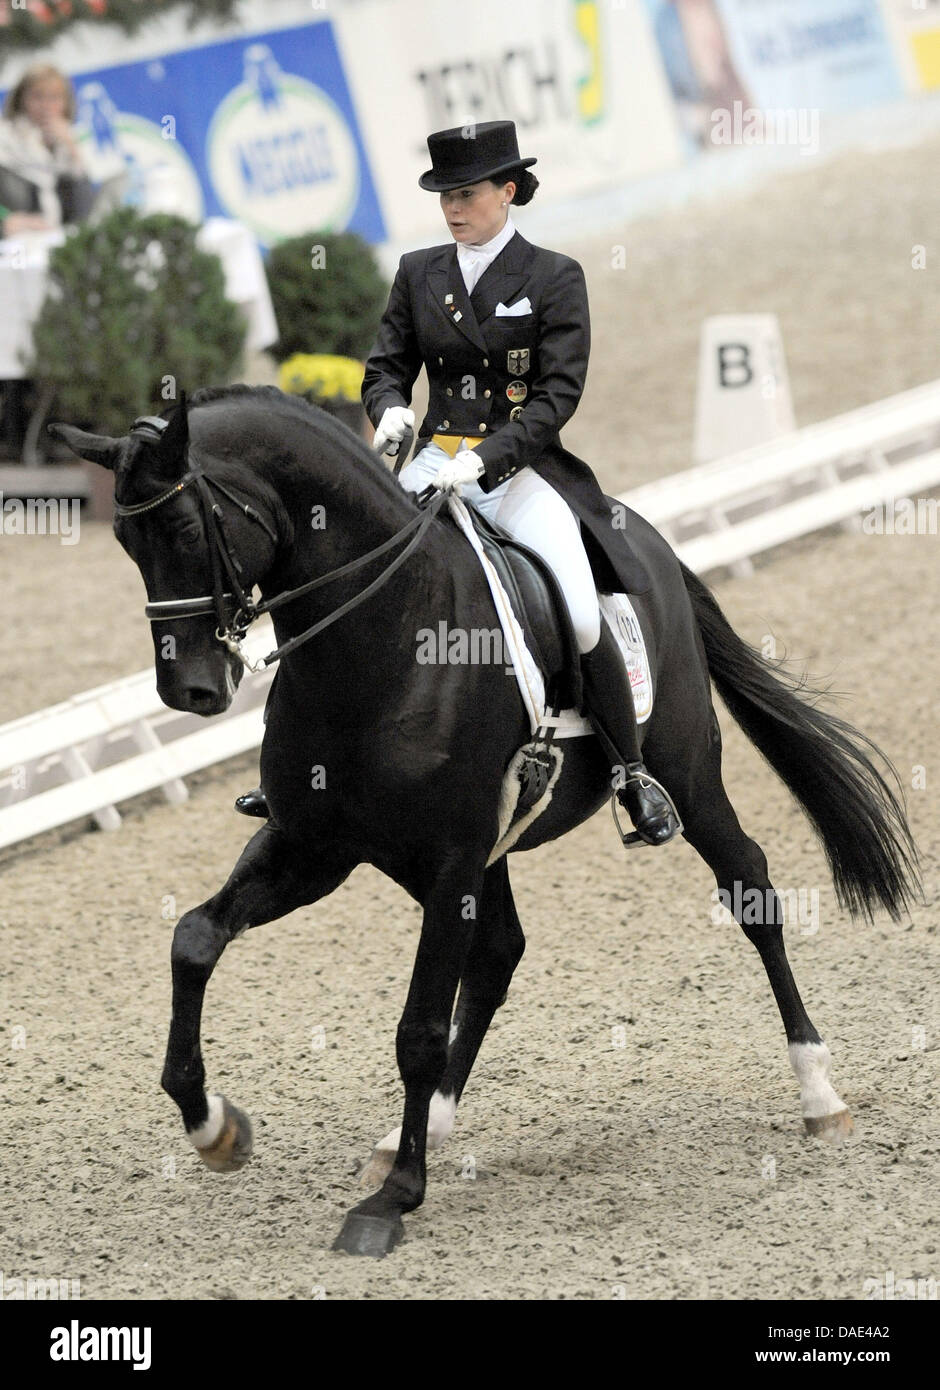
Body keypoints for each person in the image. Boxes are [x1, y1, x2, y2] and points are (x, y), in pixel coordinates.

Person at [237, 120, 678, 845]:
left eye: (467, 193)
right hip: (433, 461)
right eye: (444, 194)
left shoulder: (553, 277)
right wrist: (385, 413)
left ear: (507, 191)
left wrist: (493, 456)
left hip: (520, 471)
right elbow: (386, 365)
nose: (453, 208)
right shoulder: (419, 272)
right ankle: (290, 766)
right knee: (341, 585)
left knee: (581, 608)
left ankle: (631, 772)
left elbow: (556, 395)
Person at [0, 63, 92, 236]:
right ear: (21, 100)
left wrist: (72, 149)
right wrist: (4, 221)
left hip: (62, 246)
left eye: (55, 98)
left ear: (67, 103)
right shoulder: (4, 140)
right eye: (37, 97)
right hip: (15, 250)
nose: (46, 106)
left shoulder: (73, 145)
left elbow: (83, 214)